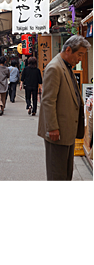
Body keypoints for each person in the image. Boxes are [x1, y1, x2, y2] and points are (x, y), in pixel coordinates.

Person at [38, 35, 91, 181]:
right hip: (57, 131)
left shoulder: (65, 66)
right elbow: (48, 100)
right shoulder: (55, 68)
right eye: (79, 54)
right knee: (58, 173)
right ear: (68, 50)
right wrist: (52, 127)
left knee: (66, 173)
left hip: (67, 130)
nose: (80, 59)